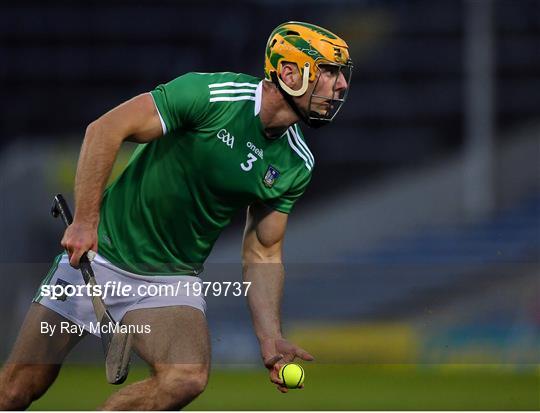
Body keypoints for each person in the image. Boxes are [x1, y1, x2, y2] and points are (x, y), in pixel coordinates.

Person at [0, 21, 352, 410]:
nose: (341, 85)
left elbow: (263, 252)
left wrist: (269, 338)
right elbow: (104, 130)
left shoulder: (296, 164)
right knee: (16, 389)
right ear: (289, 73)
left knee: (185, 378)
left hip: (170, 278)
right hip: (97, 256)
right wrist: (85, 221)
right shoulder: (211, 95)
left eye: (340, 74)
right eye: (329, 71)